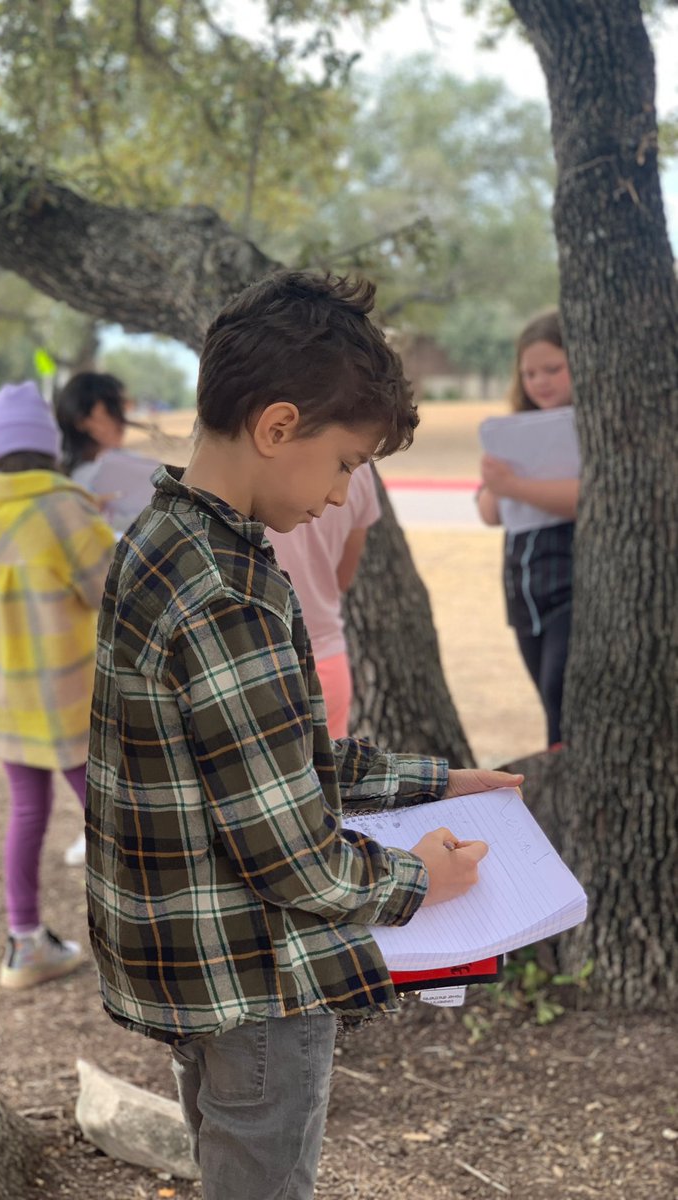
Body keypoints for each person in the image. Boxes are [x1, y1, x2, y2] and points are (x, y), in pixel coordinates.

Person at [84, 270, 523, 1200]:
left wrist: (431, 781)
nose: (341, 496)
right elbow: (303, 864)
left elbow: (278, 759)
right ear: (278, 428)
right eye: (346, 464)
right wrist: (423, 879)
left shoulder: (163, 542)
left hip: (196, 969)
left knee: (228, 1162)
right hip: (258, 986)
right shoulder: (231, 594)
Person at [0, 381, 115, 989]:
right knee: (110, 820)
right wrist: (96, 528)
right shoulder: (65, 506)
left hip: (4, 697)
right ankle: (140, 939)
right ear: (48, 447)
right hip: (71, 698)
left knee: (27, 811)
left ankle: (24, 941)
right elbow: (108, 590)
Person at [55, 370, 161, 865]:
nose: (122, 416)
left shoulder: (82, 474)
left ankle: (101, 825)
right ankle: (99, 825)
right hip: (101, 623)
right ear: (88, 418)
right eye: (112, 408)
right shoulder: (80, 483)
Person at [476, 310, 579, 748]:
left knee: (562, 692)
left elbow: (585, 497)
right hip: (524, 589)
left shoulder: (590, 426)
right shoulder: (513, 429)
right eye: (529, 372)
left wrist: (515, 485)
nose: (540, 381)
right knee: (546, 694)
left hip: (572, 584)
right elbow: (489, 512)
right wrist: (499, 485)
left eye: (553, 369)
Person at [268, 464, 381, 738]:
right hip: (326, 656)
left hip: (261, 657)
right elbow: (343, 577)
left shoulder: (260, 461)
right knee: (328, 774)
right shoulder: (360, 468)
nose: (337, 497)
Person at [56, 371, 159, 534]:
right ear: (83, 421)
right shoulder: (98, 473)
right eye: (112, 409)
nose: (122, 420)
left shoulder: (59, 481)